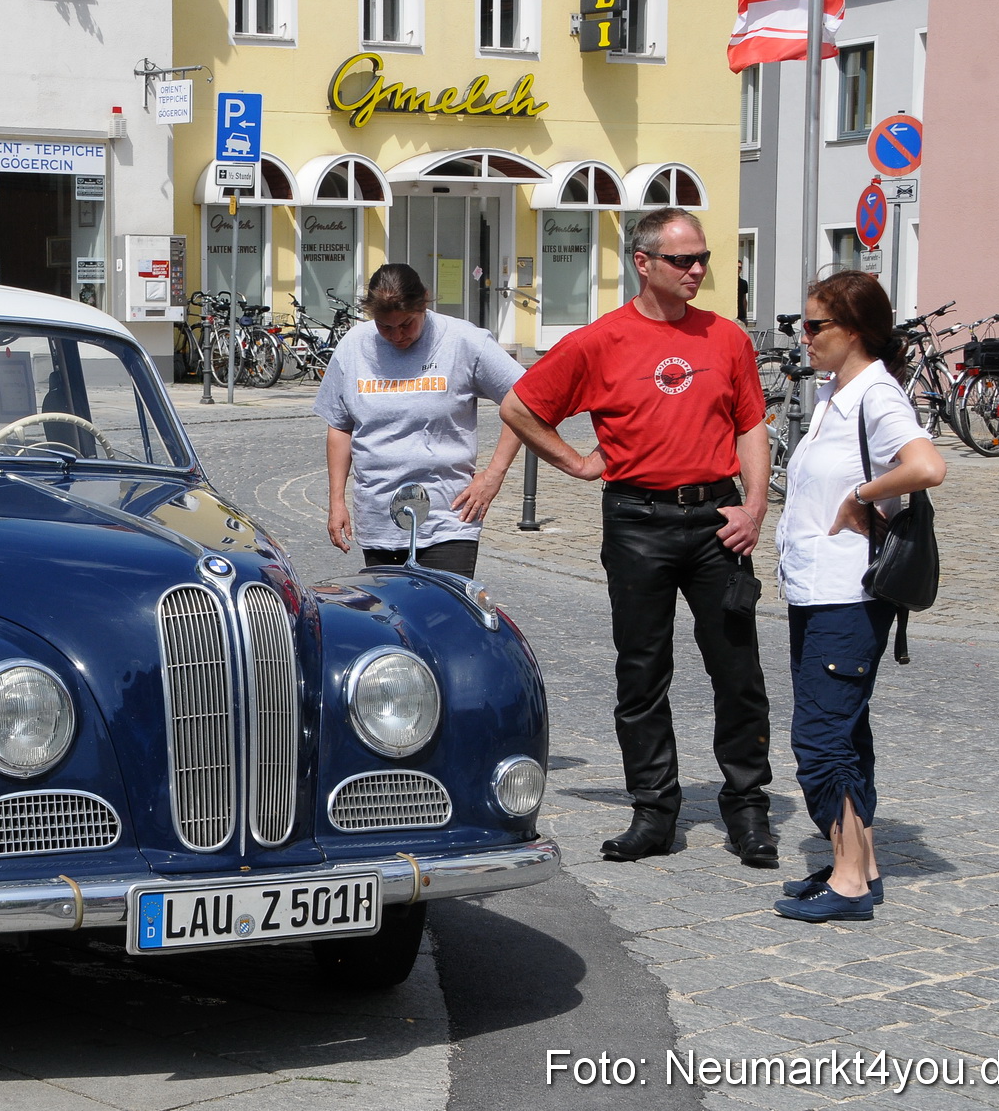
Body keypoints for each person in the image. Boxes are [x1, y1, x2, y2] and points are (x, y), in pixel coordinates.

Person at [499, 208, 775, 866]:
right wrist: (574, 462)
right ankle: (653, 810)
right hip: (637, 522)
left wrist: (754, 507)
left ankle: (747, 806)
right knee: (642, 671)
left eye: (703, 257)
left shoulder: (726, 338)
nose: (697, 269)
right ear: (643, 263)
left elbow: (750, 426)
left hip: (717, 521)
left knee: (737, 670)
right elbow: (519, 406)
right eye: (682, 259)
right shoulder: (599, 341)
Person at [773, 271, 945, 922]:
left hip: (848, 595)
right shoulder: (834, 394)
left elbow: (927, 466)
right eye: (803, 324)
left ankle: (847, 883)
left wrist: (861, 497)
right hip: (818, 591)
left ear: (855, 331)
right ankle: (860, 863)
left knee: (820, 738)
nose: (804, 336)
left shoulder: (875, 394)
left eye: (815, 325)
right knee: (846, 731)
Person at [314, 263, 524, 577]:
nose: (397, 336)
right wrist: (336, 502)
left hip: (448, 517)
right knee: (390, 608)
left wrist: (493, 476)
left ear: (424, 303)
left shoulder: (464, 341)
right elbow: (340, 426)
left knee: (440, 607)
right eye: (385, 327)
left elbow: (525, 401)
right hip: (379, 516)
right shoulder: (353, 347)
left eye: (406, 324)